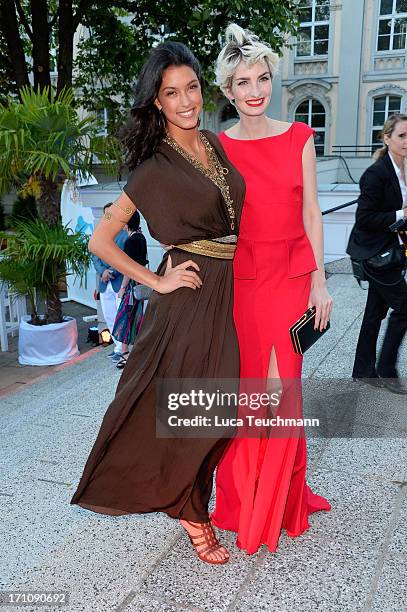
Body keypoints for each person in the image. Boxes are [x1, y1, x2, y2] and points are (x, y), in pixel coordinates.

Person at [70, 41, 245, 565]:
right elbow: (99, 241)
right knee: (205, 413)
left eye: (191, 87)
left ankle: (187, 497)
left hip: (229, 289)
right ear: (157, 103)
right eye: (172, 93)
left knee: (223, 407)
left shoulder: (214, 144)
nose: (186, 100)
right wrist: (155, 281)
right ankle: (193, 511)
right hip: (188, 298)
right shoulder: (151, 170)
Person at [210, 24, 332, 554]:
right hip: (243, 281)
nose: (254, 90)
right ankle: (243, 499)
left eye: (261, 78)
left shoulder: (299, 137)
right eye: (242, 82)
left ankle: (280, 501)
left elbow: (311, 212)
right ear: (228, 91)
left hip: (291, 277)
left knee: (283, 388)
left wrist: (320, 281)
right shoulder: (215, 147)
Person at [347, 113, 407, 395]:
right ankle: (385, 369)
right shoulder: (376, 173)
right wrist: (401, 213)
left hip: (391, 250)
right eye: (402, 136)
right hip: (374, 253)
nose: (406, 142)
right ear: (387, 138)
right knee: (405, 307)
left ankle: (363, 371)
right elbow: (364, 218)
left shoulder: (403, 168)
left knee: (374, 313)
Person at [92, 203, 128, 361]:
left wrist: (111, 271)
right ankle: (117, 346)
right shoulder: (99, 233)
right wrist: (102, 272)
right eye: (105, 215)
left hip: (118, 281)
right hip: (104, 283)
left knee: (120, 315)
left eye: (110, 214)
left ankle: (122, 348)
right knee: (109, 316)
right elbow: (94, 255)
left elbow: (124, 259)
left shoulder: (124, 235)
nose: (107, 218)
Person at [112, 210, 148, 369]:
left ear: (126, 223)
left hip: (132, 285)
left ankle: (126, 354)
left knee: (125, 318)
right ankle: (130, 353)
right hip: (140, 281)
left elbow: (128, 269)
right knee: (135, 317)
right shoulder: (141, 238)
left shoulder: (130, 241)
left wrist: (122, 287)